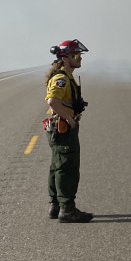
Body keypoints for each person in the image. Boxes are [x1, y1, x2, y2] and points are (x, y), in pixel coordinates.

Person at [43, 39, 93, 223]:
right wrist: (69, 118)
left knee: (57, 166)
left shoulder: (65, 76)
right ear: (65, 59)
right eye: (76, 56)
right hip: (63, 128)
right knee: (67, 168)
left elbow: (61, 100)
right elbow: (52, 101)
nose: (80, 59)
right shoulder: (62, 78)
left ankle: (55, 206)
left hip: (58, 128)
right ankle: (67, 210)